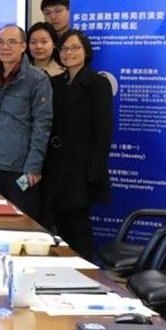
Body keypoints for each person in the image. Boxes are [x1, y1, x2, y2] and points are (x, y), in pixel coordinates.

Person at [42, 30, 112, 260]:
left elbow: (103, 132)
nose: (69, 53)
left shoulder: (97, 83)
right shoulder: (55, 83)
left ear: (85, 51)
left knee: (78, 224)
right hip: (56, 164)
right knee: (59, 222)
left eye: (75, 48)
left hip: (82, 166)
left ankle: (86, 269)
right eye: (64, 48)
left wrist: (95, 171)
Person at [0, 24, 53, 221]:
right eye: (1, 42)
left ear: (23, 46)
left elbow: (42, 125)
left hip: (19, 169)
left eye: (12, 42)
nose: (5, 47)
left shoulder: (37, 79)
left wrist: (33, 166)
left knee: (20, 224)